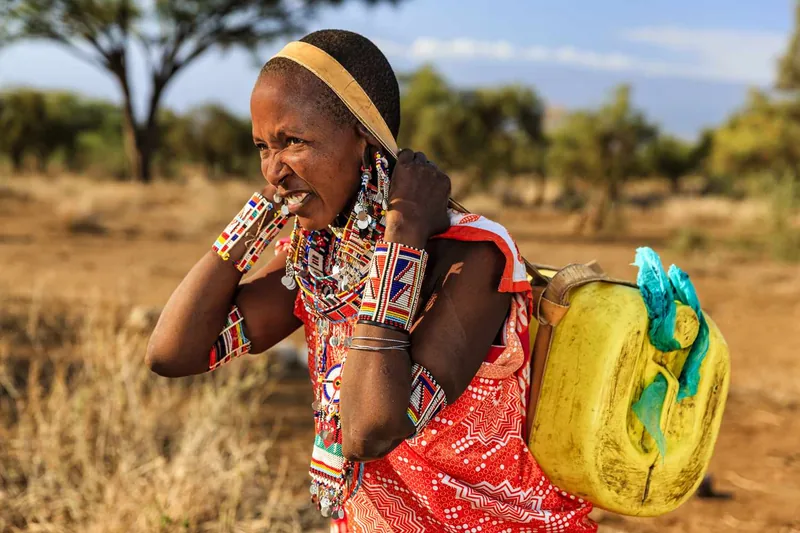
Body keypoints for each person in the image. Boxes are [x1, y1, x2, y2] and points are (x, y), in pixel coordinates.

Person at [146, 29, 596, 533]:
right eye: (261, 147)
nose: (273, 168)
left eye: (293, 141)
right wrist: (260, 215)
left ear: (363, 136)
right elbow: (173, 352)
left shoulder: (472, 257)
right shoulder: (317, 258)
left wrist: (402, 234)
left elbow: (367, 428)